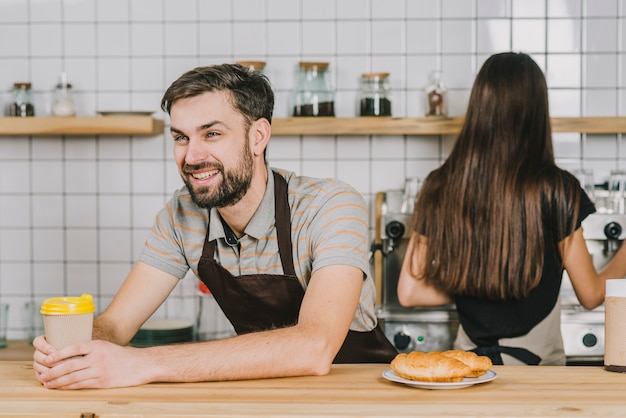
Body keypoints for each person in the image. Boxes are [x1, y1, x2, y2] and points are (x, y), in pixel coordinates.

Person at [33, 63, 397, 389]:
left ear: (258, 137)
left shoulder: (329, 205)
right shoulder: (182, 215)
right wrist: (72, 349)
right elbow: (116, 326)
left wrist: (143, 363)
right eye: (181, 137)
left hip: (355, 395)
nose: (192, 156)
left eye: (211, 134)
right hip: (263, 392)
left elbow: (315, 347)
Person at [396, 52, 626, 366]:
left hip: (467, 368)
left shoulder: (441, 184)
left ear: (479, 108)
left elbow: (410, 292)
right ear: (537, 112)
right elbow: (591, 294)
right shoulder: (558, 189)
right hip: (540, 371)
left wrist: (477, 285)